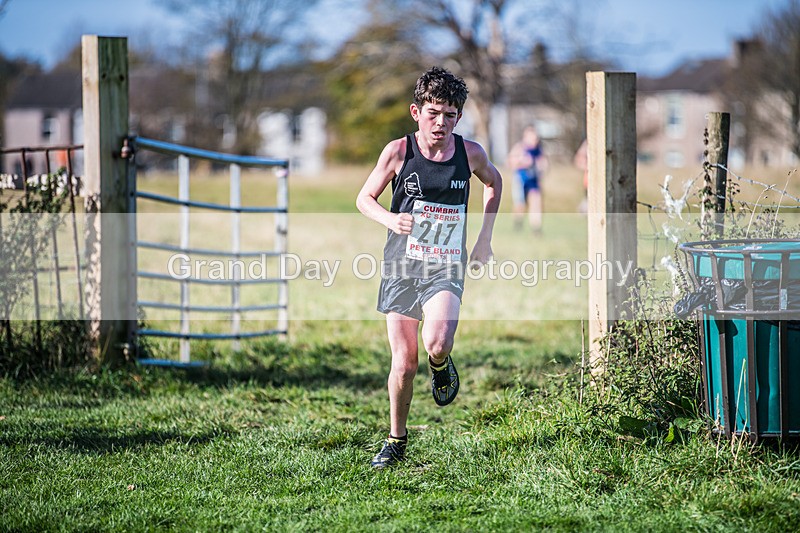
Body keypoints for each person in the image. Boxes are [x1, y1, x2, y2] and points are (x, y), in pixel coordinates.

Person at [356, 66, 502, 469]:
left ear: (459, 116)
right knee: (404, 364)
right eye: (433, 113)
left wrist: (484, 238)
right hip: (401, 266)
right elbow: (364, 198)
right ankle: (396, 440)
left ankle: (441, 365)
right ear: (416, 112)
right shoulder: (398, 151)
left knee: (437, 343)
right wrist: (390, 219)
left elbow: (494, 183)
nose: (441, 123)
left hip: (445, 265)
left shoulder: (470, 154)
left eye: (450, 115)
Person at [507, 125, 547, 232]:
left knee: (536, 202)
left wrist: (542, 167)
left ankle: (536, 228)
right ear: (526, 137)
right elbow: (510, 162)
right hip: (521, 180)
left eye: (536, 138)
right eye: (532, 138)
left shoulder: (538, 150)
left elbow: (543, 163)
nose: (535, 140)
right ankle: (518, 224)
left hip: (533, 181)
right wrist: (523, 162)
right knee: (520, 205)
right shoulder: (520, 148)